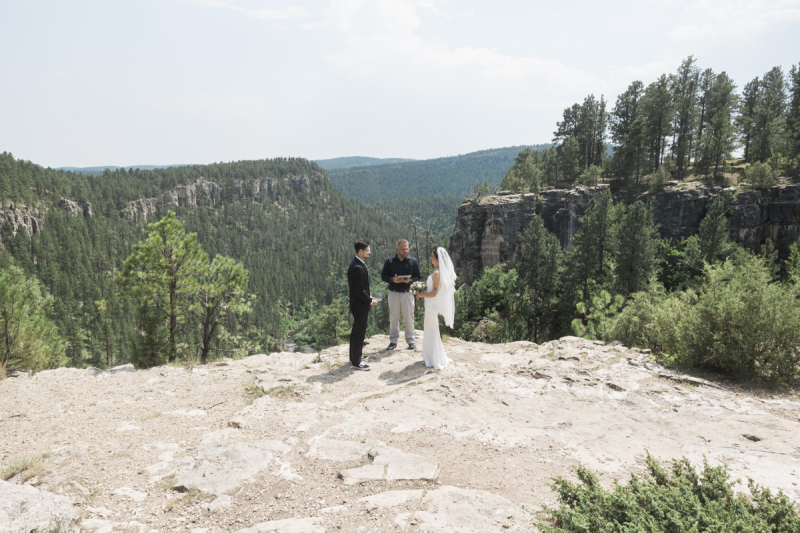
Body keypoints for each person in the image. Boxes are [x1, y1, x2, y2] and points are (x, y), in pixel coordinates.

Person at [415, 247, 456, 370]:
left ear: (437, 259)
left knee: (432, 330)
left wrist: (421, 295)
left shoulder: (437, 273)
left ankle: (434, 358)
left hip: (432, 306)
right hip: (429, 305)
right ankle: (429, 356)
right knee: (429, 330)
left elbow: (434, 293)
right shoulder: (437, 271)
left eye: (432, 256)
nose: (430, 258)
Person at [381, 239, 421, 350]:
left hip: (407, 293)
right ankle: (393, 341)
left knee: (409, 318)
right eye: (403, 249)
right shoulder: (389, 261)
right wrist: (392, 280)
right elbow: (383, 276)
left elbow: (418, 276)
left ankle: (411, 341)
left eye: (407, 249)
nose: (405, 251)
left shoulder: (413, 261)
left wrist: (410, 280)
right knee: (393, 317)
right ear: (397, 249)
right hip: (393, 293)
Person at [348, 241, 378, 371]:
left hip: (359, 304)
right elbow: (359, 291)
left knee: (357, 331)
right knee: (359, 332)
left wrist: (368, 297)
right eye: (368, 250)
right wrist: (370, 301)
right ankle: (356, 362)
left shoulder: (357, 265)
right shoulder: (357, 268)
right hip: (360, 306)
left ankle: (355, 356)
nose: (369, 252)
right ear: (360, 251)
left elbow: (360, 290)